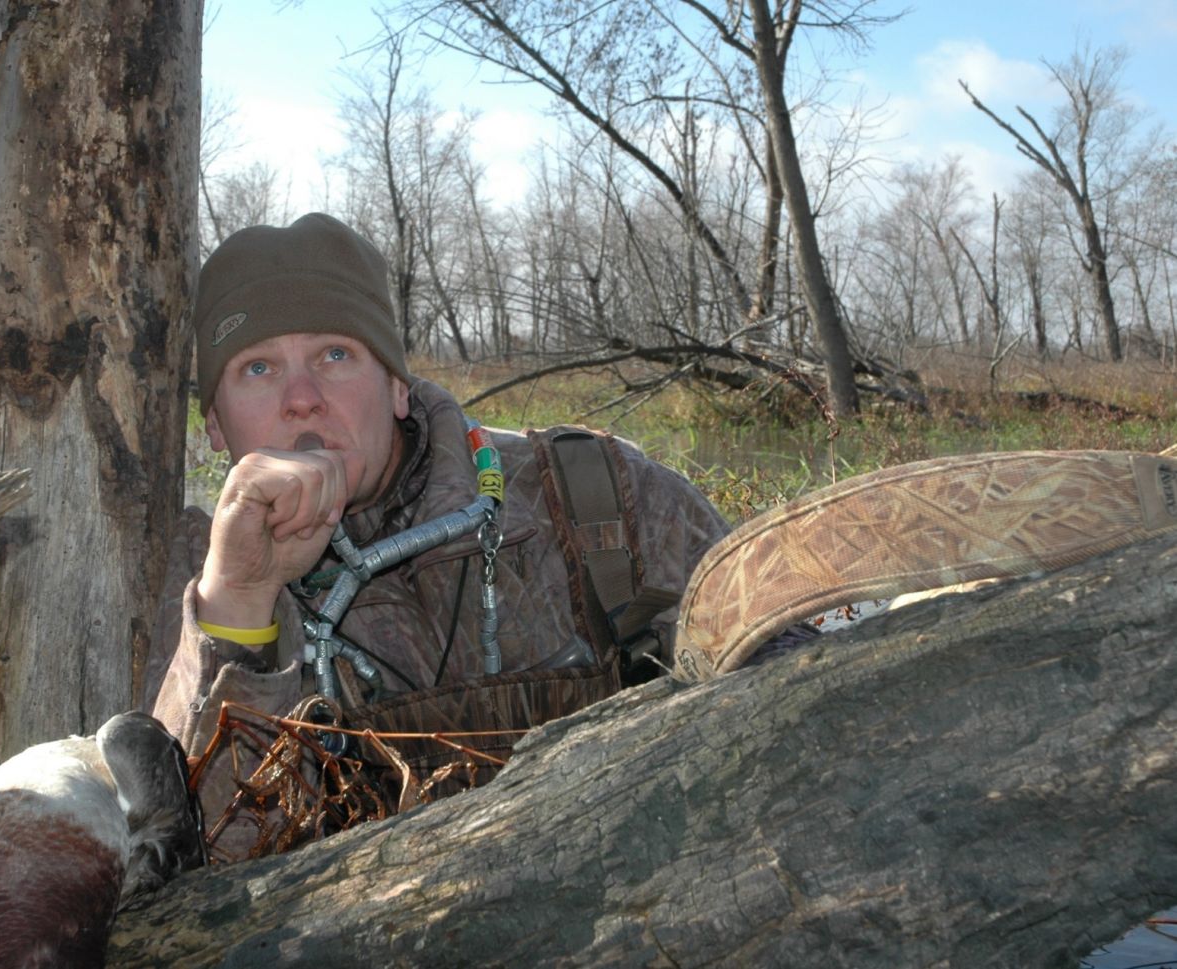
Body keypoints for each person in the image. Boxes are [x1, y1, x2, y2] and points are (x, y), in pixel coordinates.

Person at [145, 213, 757, 856]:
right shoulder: (193, 577)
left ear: (397, 385)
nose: (302, 398)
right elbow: (205, 867)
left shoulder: (596, 493)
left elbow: (783, 692)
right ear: (214, 423)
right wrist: (242, 596)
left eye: (335, 355)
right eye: (258, 369)